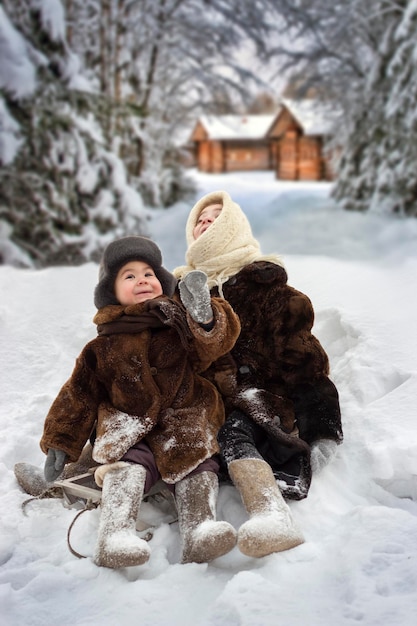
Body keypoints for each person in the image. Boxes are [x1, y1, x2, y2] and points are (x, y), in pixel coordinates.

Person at [35, 235, 241, 569]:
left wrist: (204, 318)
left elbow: (214, 346)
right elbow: (79, 394)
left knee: (198, 459)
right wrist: (61, 440)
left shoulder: (180, 326)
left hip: (184, 418)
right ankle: (114, 535)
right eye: (129, 276)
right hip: (128, 423)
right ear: (110, 292)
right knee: (127, 464)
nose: (142, 279)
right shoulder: (101, 347)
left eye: (148, 273)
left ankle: (199, 529)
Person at [173, 190, 343, 558]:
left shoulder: (272, 292)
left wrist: (323, 430)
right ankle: (197, 531)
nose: (204, 223)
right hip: (203, 403)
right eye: (199, 220)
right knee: (171, 435)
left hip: (258, 398)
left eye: (214, 217)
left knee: (235, 432)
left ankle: (272, 516)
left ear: (231, 225)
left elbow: (305, 363)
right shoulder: (178, 294)